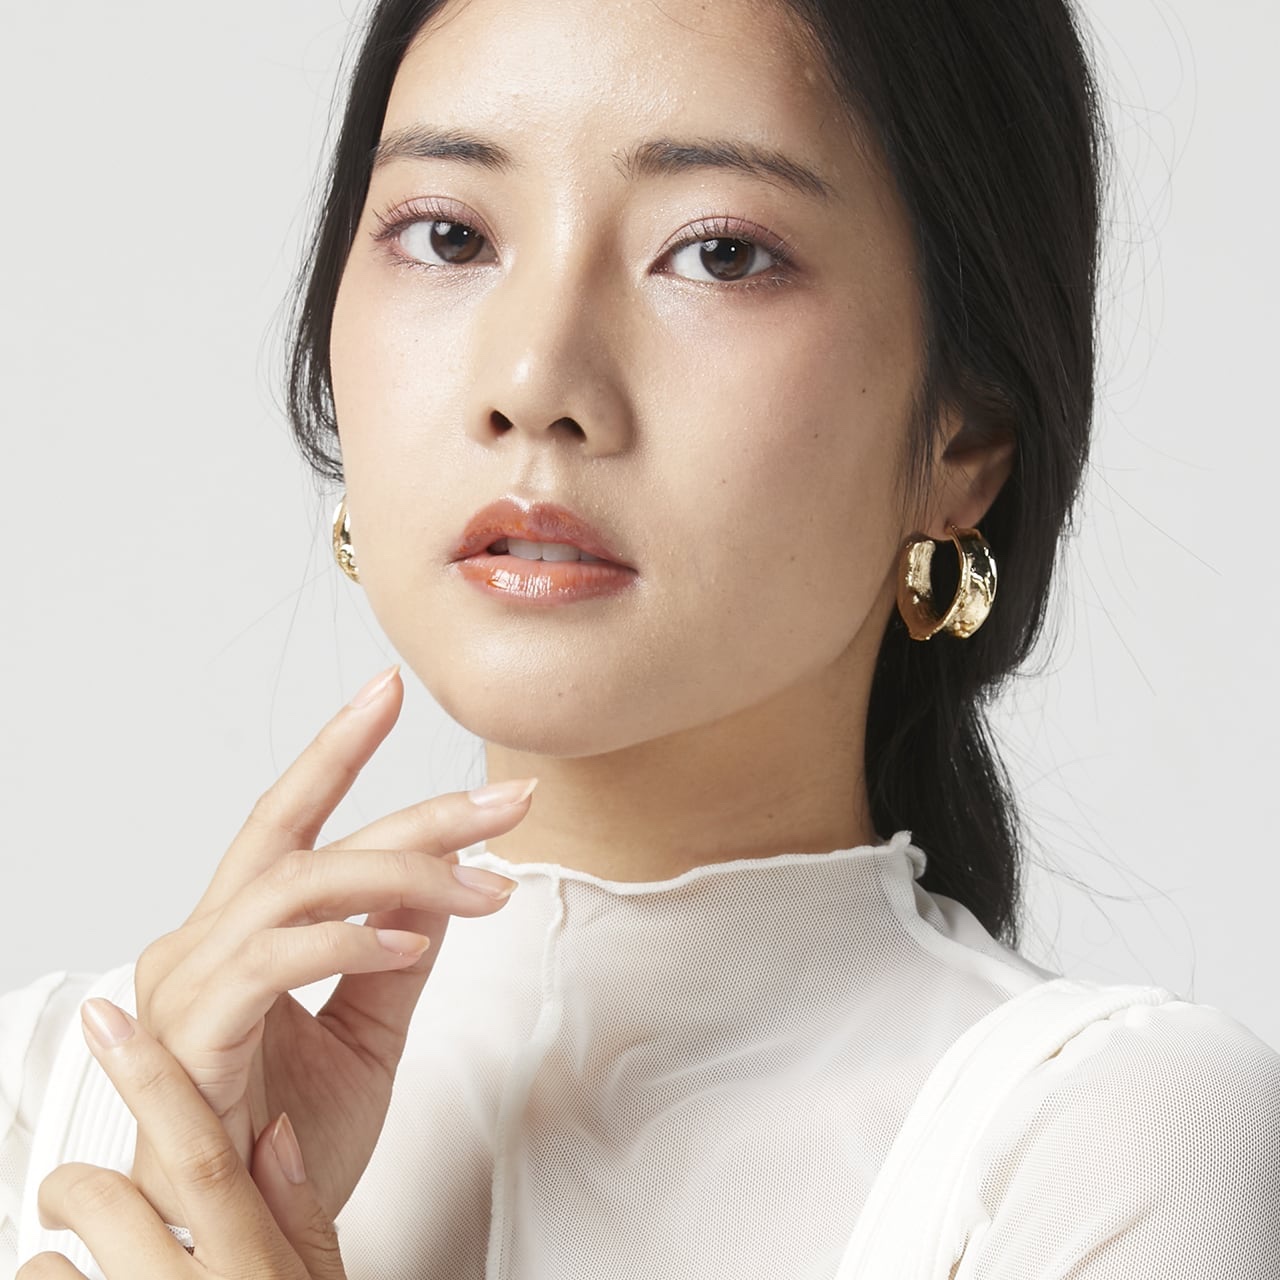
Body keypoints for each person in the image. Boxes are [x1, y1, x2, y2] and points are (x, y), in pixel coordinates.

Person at [4, 0, 1279, 1276]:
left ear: (964, 441)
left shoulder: (1115, 1143)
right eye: (448, 234)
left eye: (718, 254)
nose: (533, 381)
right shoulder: (42, 1097)